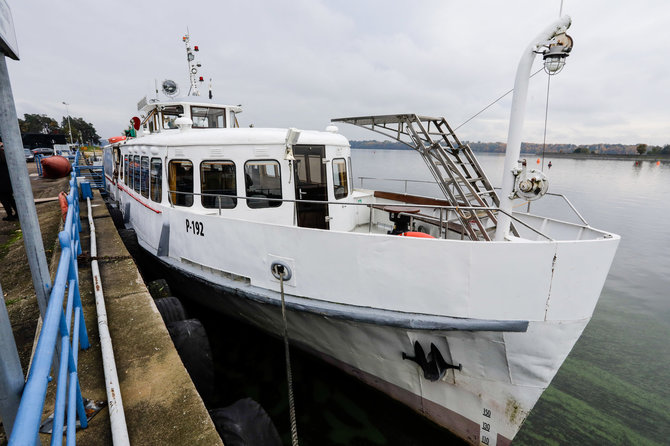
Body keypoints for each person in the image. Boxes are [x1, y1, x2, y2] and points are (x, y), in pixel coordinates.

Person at [0, 145, 19, 221]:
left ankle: (10, 215)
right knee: (10, 199)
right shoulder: (4, 156)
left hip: (1, 183)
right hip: (9, 182)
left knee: (4, 200)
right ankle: (18, 213)